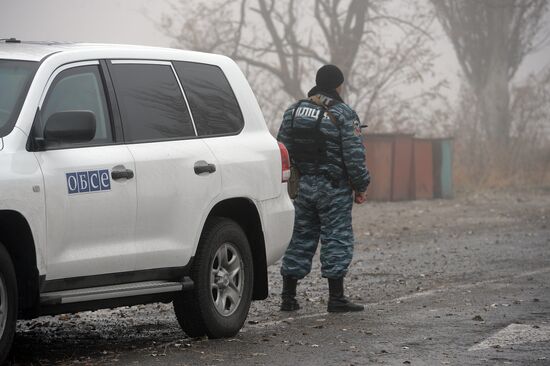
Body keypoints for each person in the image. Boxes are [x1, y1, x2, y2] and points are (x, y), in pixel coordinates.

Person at [277, 64, 371, 313]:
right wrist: (361, 186)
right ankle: (336, 298)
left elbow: (282, 149)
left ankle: (288, 297)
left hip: (303, 186)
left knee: (300, 238)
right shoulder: (343, 114)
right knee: (336, 238)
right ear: (338, 85)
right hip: (334, 188)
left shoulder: (293, 111)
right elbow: (354, 157)